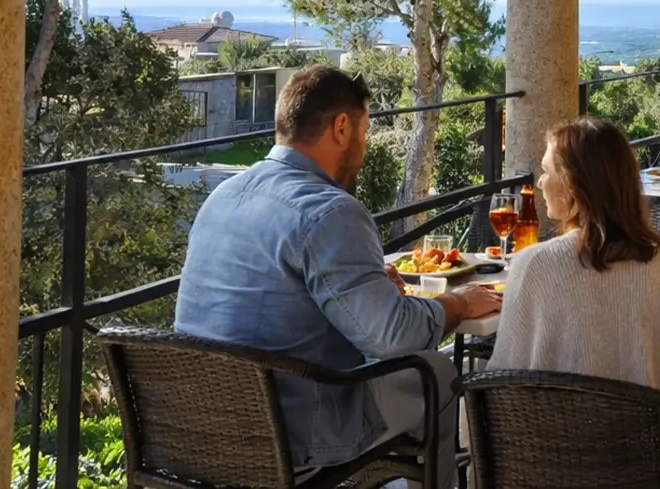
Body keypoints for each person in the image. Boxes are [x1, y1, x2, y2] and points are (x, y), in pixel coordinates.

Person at [175, 66, 500, 485]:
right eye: (364, 131)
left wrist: (371, 285)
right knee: (436, 371)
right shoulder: (330, 210)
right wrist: (457, 304)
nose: (363, 147)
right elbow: (392, 337)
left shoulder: (222, 196)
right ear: (342, 127)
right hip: (290, 431)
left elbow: (274, 301)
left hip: (198, 424)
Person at [488, 118, 660, 488]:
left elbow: (503, 386)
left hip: (548, 467)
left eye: (546, 172)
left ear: (571, 186)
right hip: (649, 467)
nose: (539, 183)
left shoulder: (533, 266)